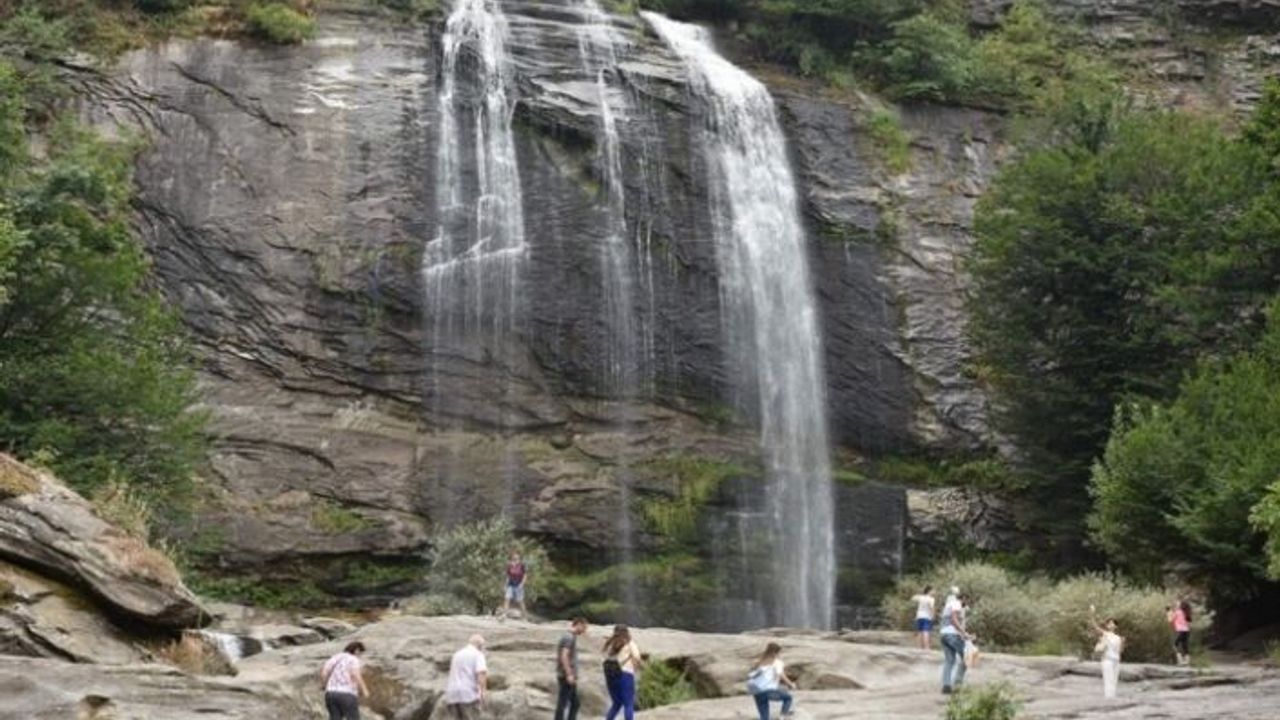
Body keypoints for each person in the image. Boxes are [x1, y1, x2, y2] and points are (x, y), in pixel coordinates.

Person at [602, 624, 645, 720]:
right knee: (628, 704)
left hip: (611, 676)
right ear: (627, 632)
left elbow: (605, 657)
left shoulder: (610, 643)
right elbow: (637, 658)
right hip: (625, 675)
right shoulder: (630, 643)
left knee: (616, 703)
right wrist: (639, 668)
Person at [746, 642, 797, 720]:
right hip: (768, 690)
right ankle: (783, 716)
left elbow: (752, 674)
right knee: (788, 698)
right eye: (779, 652)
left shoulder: (760, 662)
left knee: (764, 717)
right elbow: (781, 675)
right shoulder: (777, 662)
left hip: (757, 691)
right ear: (776, 653)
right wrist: (791, 685)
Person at [320, 641, 370, 720]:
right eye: (360, 653)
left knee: (335, 717)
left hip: (331, 693)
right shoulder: (353, 659)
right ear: (357, 650)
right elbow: (355, 674)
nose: (360, 656)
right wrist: (364, 690)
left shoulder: (335, 657)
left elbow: (324, 672)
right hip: (347, 693)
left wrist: (324, 685)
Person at [443, 635, 488, 720]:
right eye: (483, 645)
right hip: (468, 694)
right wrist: (482, 694)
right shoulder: (478, 654)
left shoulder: (457, 654)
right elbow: (481, 674)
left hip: (452, 694)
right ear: (479, 645)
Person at [554, 617, 588, 720]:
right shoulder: (568, 637)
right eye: (584, 628)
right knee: (563, 703)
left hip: (568, 675)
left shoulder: (571, 636)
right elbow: (564, 656)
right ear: (579, 624)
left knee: (575, 703)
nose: (584, 631)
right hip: (566, 676)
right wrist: (569, 674)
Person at [939, 591, 971, 694]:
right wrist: (964, 633)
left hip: (944, 635)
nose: (968, 603)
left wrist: (965, 635)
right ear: (964, 598)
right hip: (952, 635)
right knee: (967, 657)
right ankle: (957, 685)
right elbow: (954, 619)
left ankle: (946, 685)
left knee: (950, 660)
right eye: (968, 600)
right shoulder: (956, 603)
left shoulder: (949, 605)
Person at [1090, 605, 1125, 699]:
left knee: (1114, 680)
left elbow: (1120, 651)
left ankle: (1112, 697)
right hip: (1107, 660)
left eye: (1113, 623)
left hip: (1116, 660)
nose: (1111, 625)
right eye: (1109, 623)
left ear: (1116, 626)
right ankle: (1108, 698)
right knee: (1108, 679)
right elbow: (1094, 626)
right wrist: (1092, 614)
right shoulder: (1105, 634)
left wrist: (1123, 643)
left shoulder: (1118, 638)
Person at [502, 550, 528, 618]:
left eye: (516, 557)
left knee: (520, 601)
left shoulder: (522, 565)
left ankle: (524, 615)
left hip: (518, 585)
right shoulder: (510, 565)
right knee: (507, 598)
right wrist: (505, 585)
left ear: (519, 557)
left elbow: (525, 575)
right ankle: (504, 614)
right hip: (510, 585)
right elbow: (508, 576)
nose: (515, 558)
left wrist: (522, 584)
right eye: (513, 557)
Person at [1167, 600, 1192, 666]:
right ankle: (1187, 662)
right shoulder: (1187, 613)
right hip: (1187, 631)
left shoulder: (1178, 612)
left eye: (1178, 604)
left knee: (1175, 645)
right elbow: (1189, 623)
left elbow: (1170, 620)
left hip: (1180, 631)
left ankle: (1180, 661)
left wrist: (1168, 611)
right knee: (1185, 646)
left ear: (1181, 606)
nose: (1177, 604)